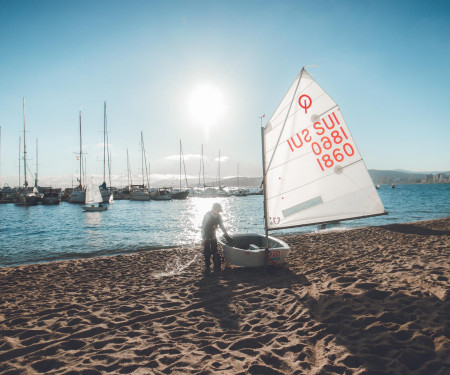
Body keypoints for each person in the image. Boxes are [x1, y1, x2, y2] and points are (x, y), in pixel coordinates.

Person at [201, 202, 232, 273]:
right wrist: (203, 237)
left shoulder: (219, 216)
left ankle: (216, 266)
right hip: (206, 234)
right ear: (214, 209)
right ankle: (207, 266)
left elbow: (221, 225)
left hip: (213, 233)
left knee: (215, 250)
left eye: (219, 211)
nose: (218, 212)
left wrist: (226, 233)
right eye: (217, 211)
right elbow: (203, 227)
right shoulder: (207, 215)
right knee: (207, 251)